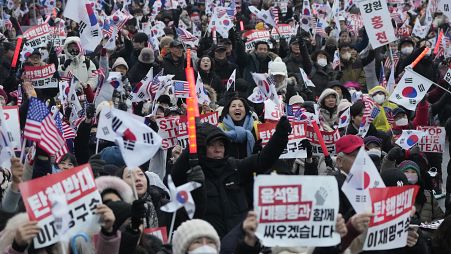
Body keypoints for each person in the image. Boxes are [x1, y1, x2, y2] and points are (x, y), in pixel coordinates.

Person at [172, 116, 291, 237]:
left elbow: (262, 160)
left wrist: (280, 135)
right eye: (212, 145)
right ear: (202, 148)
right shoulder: (194, 173)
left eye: (221, 145)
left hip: (240, 240)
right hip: (210, 242)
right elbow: (175, 177)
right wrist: (194, 141)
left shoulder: (234, 166)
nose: (218, 150)